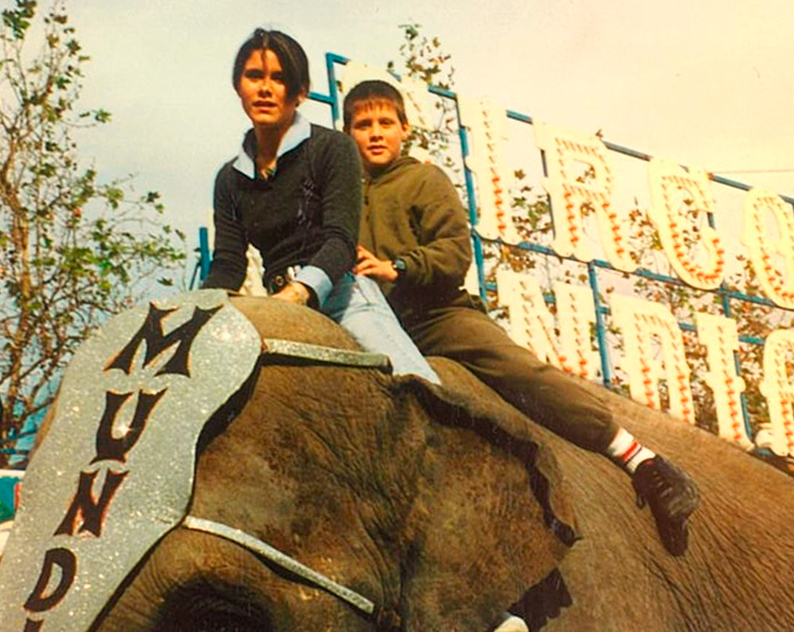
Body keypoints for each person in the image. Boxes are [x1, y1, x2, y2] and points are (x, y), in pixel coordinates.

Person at [343, 79, 700, 557]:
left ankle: (639, 459)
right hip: (375, 322)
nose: (375, 133)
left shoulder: (424, 180)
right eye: (362, 125)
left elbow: (452, 253)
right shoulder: (342, 195)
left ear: (405, 128)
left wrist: (400, 266)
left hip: (436, 315)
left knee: (518, 370)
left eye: (385, 122)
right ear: (347, 134)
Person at [201, 28, 438, 383]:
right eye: (254, 76)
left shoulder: (332, 148)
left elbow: (340, 240)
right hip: (274, 303)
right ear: (239, 87)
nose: (265, 89)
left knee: (417, 388)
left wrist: (296, 295)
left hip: (342, 300)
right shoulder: (229, 180)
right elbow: (227, 265)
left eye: (279, 79)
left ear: (300, 93)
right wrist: (194, 315)